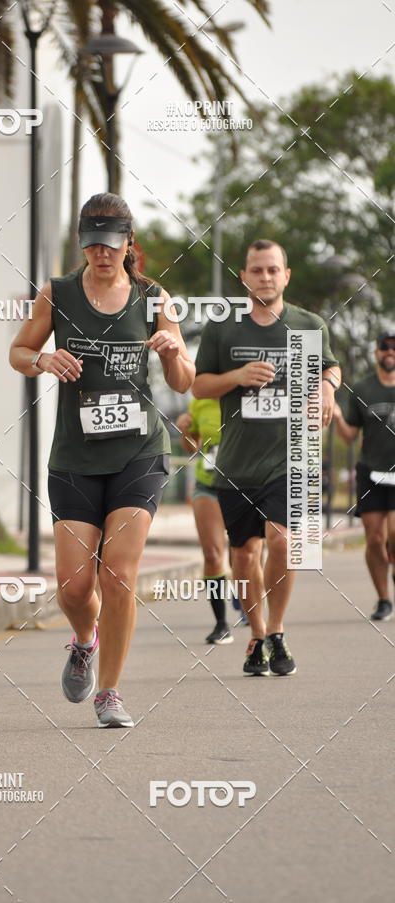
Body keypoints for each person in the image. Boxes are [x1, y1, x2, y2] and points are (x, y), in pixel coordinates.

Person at [10, 192, 194, 727]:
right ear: (82, 245)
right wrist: (43, 359)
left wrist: (171, 352)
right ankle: (84, 640)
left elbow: (186, 379)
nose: (102, 254)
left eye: (111, 245)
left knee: (117, 578)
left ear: (128, 245)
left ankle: (109, 693)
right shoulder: (59, 293)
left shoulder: (155, 297)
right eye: (92, 244)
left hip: (139, 452)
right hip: (74, 454)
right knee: (73, 587)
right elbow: (17, 352)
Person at [193, 239, 340, 676]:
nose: (266, 277)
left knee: (284, 541)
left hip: (291, 458)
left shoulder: (308, 325)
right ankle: (255, 634)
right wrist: (237, 376)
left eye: (273, 270)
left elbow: (330, 366)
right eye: (257, 270)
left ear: (286, 275)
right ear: (245, 276)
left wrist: (328, 386)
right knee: (243, 557)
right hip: (237, 463)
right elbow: (199, 387)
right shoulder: (224, 329)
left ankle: (276, 630)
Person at [333, 330, 395, 621]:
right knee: (374, 538)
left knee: (394, 534)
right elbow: (348, 436)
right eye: (384, 347)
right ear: (376, 353)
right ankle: (383, 599)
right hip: (371, 471)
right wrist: (334, 414)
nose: (389, 352)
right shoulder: (362, 389)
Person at [175, 398, 245, 645]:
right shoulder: (200, 402)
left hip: (243, 485)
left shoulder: (245, 393)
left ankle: (246, 594)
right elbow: (191, 448)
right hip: (208, 484)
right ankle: (221, 623)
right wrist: (184, 431)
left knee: (243, 551)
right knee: (213, 553)